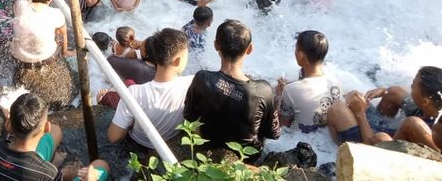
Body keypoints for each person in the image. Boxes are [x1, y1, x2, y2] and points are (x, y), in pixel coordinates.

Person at [0, 93, 110, 181]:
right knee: (101, 165)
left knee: (56, 133)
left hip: (20, 163)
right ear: (46, 127)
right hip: (35, 170)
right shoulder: (48, 174)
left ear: (8, 125)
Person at [184, 20, 280, 151]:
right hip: (247, 156)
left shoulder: (203, 78)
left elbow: (189, 115)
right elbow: (273, 133)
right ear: (250, 49)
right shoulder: (264, 90)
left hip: (208, 145)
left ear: (216, 45)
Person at [327, 66, 442, 151]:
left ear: (425, 101)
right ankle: (373, 122)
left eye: (413, 86)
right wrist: (385, 91)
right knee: (394, 92)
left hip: (377, 147)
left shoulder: (423, 130)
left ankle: (338, 150)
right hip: (387, 135)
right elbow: (398, 92)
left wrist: (359, 112)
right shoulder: (435, 111)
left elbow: (377, 145)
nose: (410, 87)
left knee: (336, 109)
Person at [108, 28, 194, 151]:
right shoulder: (193, 83)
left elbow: (113, 137)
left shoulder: (135, 92)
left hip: (138, 143)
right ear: (177, 61)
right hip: (170, 140)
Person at [278, 31, 341, 133]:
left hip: (301, 142)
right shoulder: (336, 81)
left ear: (301, 55)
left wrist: (279, 96)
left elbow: (282, 127)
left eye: (296, 48)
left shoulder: (291, 89)